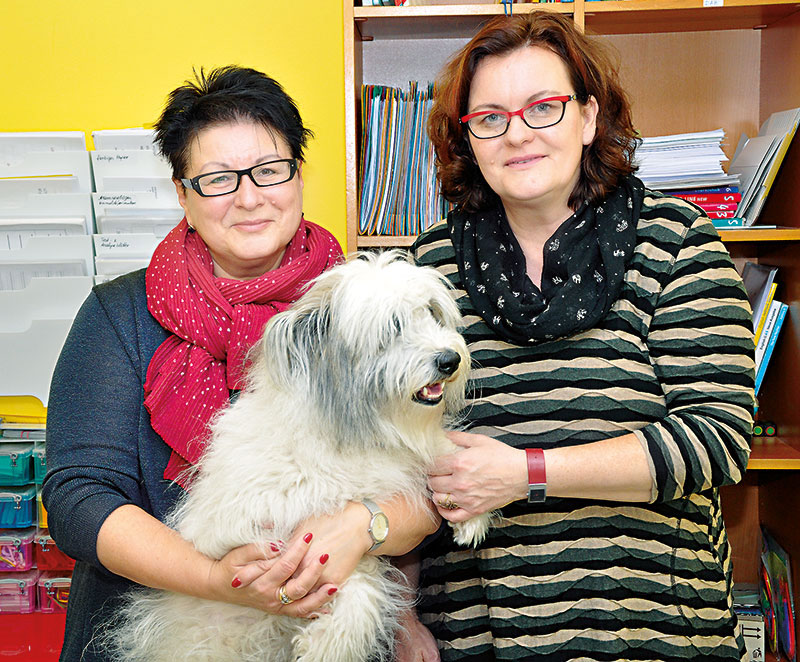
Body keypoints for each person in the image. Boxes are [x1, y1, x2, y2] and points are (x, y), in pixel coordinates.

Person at [42, 66, 438, 662]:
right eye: (218, 179)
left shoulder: (370, 304)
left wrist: (371, 541)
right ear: (182, 193)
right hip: (164, 633)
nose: (249, 197)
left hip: (334, 634)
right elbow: (78, 498)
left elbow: (422, 483)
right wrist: (213, 578)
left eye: (269, 170)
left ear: (299, 174)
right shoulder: (119, 315)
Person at [401, 12, 755, 662]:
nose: (517, 135)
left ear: (589, 118)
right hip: (477, 635)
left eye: (544, 107)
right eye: (490, 118)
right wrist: (400, 616)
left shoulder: (674, 242)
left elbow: (718, 439)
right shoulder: (428, 271)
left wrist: (526, 473)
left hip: (655, 631)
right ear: (468, 140)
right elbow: (391, 454)